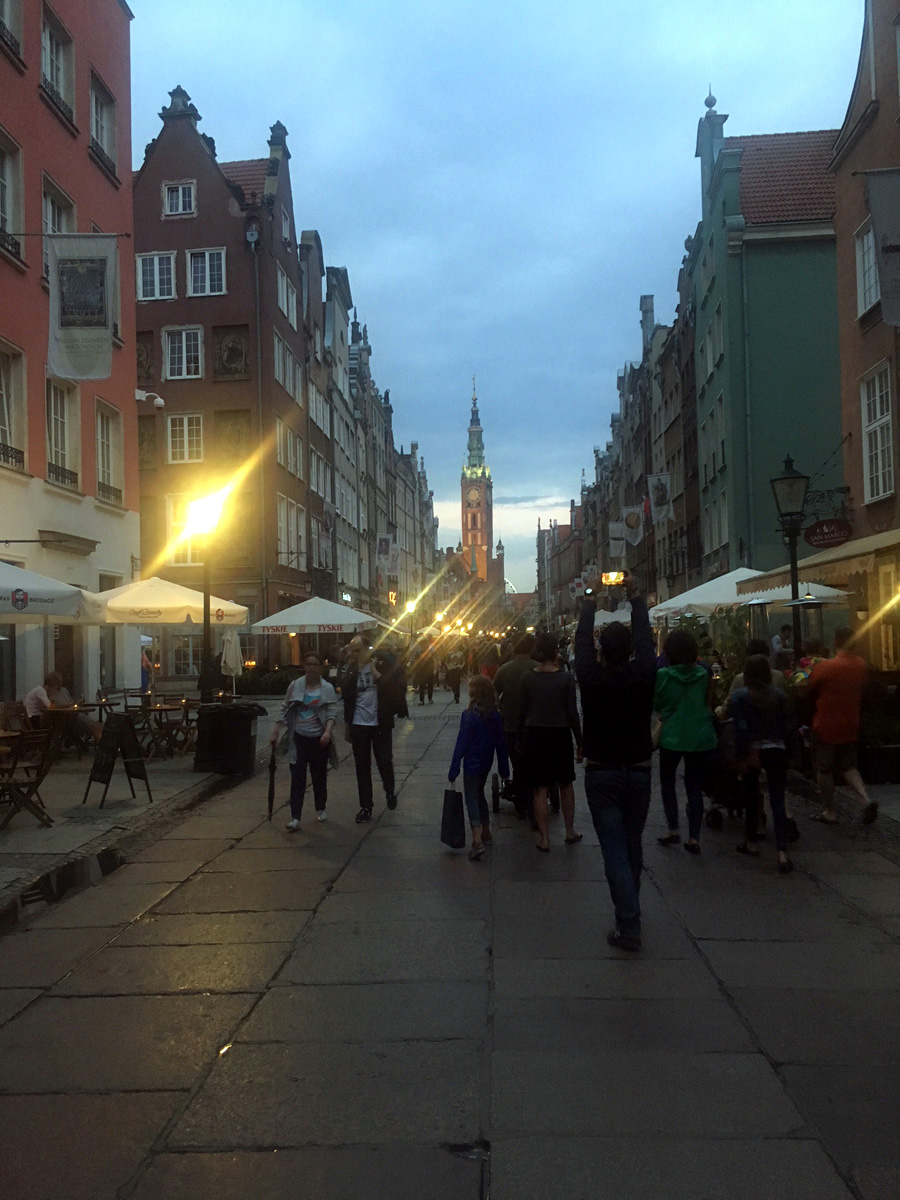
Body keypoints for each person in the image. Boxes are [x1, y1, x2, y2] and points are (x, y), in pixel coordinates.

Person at [575, 570, 656, 952]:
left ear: (601, 652)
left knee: (614, 849)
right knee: (632, 843)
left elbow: (580, 646)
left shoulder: (591, 679)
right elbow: (646, 640)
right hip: (639, 771)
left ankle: (629, 922)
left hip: (602, 773)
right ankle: (631, 907)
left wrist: (588, 605)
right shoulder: (645, 674)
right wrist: (636, 598)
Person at [727, 655, 795, 873]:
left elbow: (741, 731)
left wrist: (741, 756)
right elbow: (788, 728)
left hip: (753, 751)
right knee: (777, 799)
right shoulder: (780, 696)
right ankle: (782, 852)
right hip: (777, 750)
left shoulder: (739, 697)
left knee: (751, 796)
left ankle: (752, 842)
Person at [654, 629, 717, 853]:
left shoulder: (663, 676)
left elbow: (657, 705)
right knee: (694, 785)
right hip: (699, 735)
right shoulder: (703, 674)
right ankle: (694, 837)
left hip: (672, 736)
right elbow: (707, 701)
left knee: (668, 782)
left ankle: (673, 828)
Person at [519, 631, 583, 851]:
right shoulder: (565, 679)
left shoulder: (527, 678)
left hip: (535, 734)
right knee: (566, 784)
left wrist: (520, 738)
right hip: (560, 734)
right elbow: (573, 714)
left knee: (540, 789)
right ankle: (569, 830)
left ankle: (544, 838)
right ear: (556, 652)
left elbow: (522, 712)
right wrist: (580, 742)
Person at [807, 628, 877, 825]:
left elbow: (810, 687)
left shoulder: (826, 667)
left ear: (835, 642)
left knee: (824, 768)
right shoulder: (861, 665)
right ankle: (865, 800)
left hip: (827, 723)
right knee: (848, 766)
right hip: (851, 722)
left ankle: (830, 811)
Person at [271, 652, 340, 830]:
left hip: (318, 739)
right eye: (308, 664)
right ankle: (295, 817)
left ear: (320, 667)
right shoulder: (295, 686)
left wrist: (327, 732)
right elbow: (285, 707)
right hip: (298, 738)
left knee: (319, 776)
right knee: (297, 778)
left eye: (314, 664)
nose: (310, 668)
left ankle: (320, 806)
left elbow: (332, 712)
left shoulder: (326, 688)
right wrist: (276, 730)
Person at [448, 674, 510, 860]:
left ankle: (477, 840)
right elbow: (501, 743)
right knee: (480, 794)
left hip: (471, 764)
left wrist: (454, 767)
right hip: (486, 762)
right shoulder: (495, 715)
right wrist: (504, 768)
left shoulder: (469, 716)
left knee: (471, 799)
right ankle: (486, 831)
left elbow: (462, 742)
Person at [342, 635, 399, 822]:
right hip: (359, 724)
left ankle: (389, 791)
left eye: (358, 650)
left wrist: (374, 671)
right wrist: (347, 725)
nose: (354, 654)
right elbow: (347, 699)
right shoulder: (351, 669)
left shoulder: (381, 665)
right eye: (352, 650)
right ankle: (366, 806)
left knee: (384, 761)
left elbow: (392, 689)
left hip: (380, 722)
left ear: (368, 649)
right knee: (362, 766)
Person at [493, 633, 537, 818]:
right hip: (534, 725)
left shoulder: (504, 669)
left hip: (510, 724)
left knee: (517, 762)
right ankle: (533, 797)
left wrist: (500, 708)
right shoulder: (537, 668)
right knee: (533, 762)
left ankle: (521, 799)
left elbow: (495, 693)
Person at [24, 673, 103, 742]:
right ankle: (103, 748)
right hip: (34, 719)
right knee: (95, 726)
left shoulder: (43, 691)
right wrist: (67, 705)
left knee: (98, 726)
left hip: (36, 718)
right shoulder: (41, 691)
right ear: (51, 686)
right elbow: (49, 706)